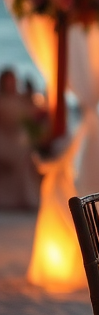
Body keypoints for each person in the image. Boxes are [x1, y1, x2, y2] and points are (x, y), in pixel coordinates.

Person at [0, 68, 41, 210]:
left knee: (29, 151)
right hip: (5, 141)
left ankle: (28, 197)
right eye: (9, 81)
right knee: (24, 153)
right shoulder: (3, 101)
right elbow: (12, 122)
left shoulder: (21, 98)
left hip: (17, 141)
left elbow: (31, 114)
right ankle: (25, 199)